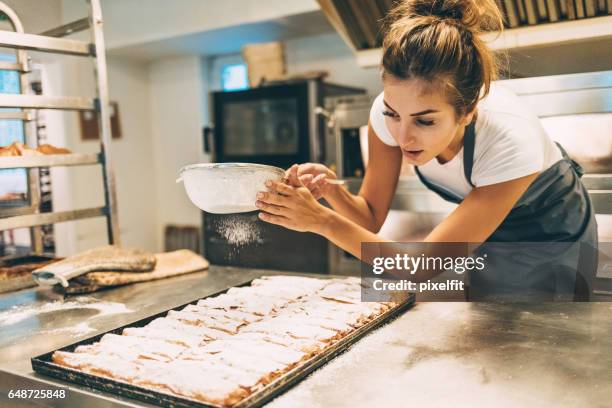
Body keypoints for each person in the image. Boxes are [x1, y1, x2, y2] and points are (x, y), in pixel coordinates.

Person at [255, 0, 598, 300]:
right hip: (490, 235)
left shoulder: (509, 140)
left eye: (425, 122)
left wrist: (321, 221)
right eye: (393, 114)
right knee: (487, 338)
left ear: (467, 112)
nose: (403, 137)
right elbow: (370, 217)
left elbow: (422, 268)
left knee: (541, 344)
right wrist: (333, 193)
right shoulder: (386, 116)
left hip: (551, 236)